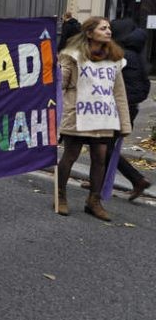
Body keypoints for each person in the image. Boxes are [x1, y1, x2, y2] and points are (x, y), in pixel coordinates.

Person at [56, 16, 131, 221]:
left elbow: (119, 93)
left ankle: (94, 201)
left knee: (99, 159)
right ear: (89, 33)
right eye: (103, 28)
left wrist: (124, 124)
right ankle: (60, 196)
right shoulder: (71, 55)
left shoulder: (114, 59)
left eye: (109, 28)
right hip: (78, 116)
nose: (108, 31)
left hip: (103, 118)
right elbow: (60, 86)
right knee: (70, 156)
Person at [110, 18, 152, 201]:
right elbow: (144, 87)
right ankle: (102, 180)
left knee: (106, 148)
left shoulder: (124, 55)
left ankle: (137, 179)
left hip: (121, 108)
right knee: (107, 145)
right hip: (128, 108)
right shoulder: (136, 53)